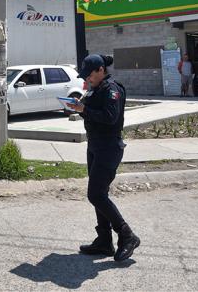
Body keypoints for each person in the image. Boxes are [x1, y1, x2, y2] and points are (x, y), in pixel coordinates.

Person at [67, 54, 140, 262]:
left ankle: (127, 235)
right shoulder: (96, 89)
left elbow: (110, 117)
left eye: (89, 75)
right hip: (95, 146)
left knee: (96, 195)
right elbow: (92, 112)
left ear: (100, 70)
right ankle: (104, 241)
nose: (87, 79)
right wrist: (79, 108)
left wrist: (85, 109)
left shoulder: (112, 90)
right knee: (99, 193)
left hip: (109, 147)